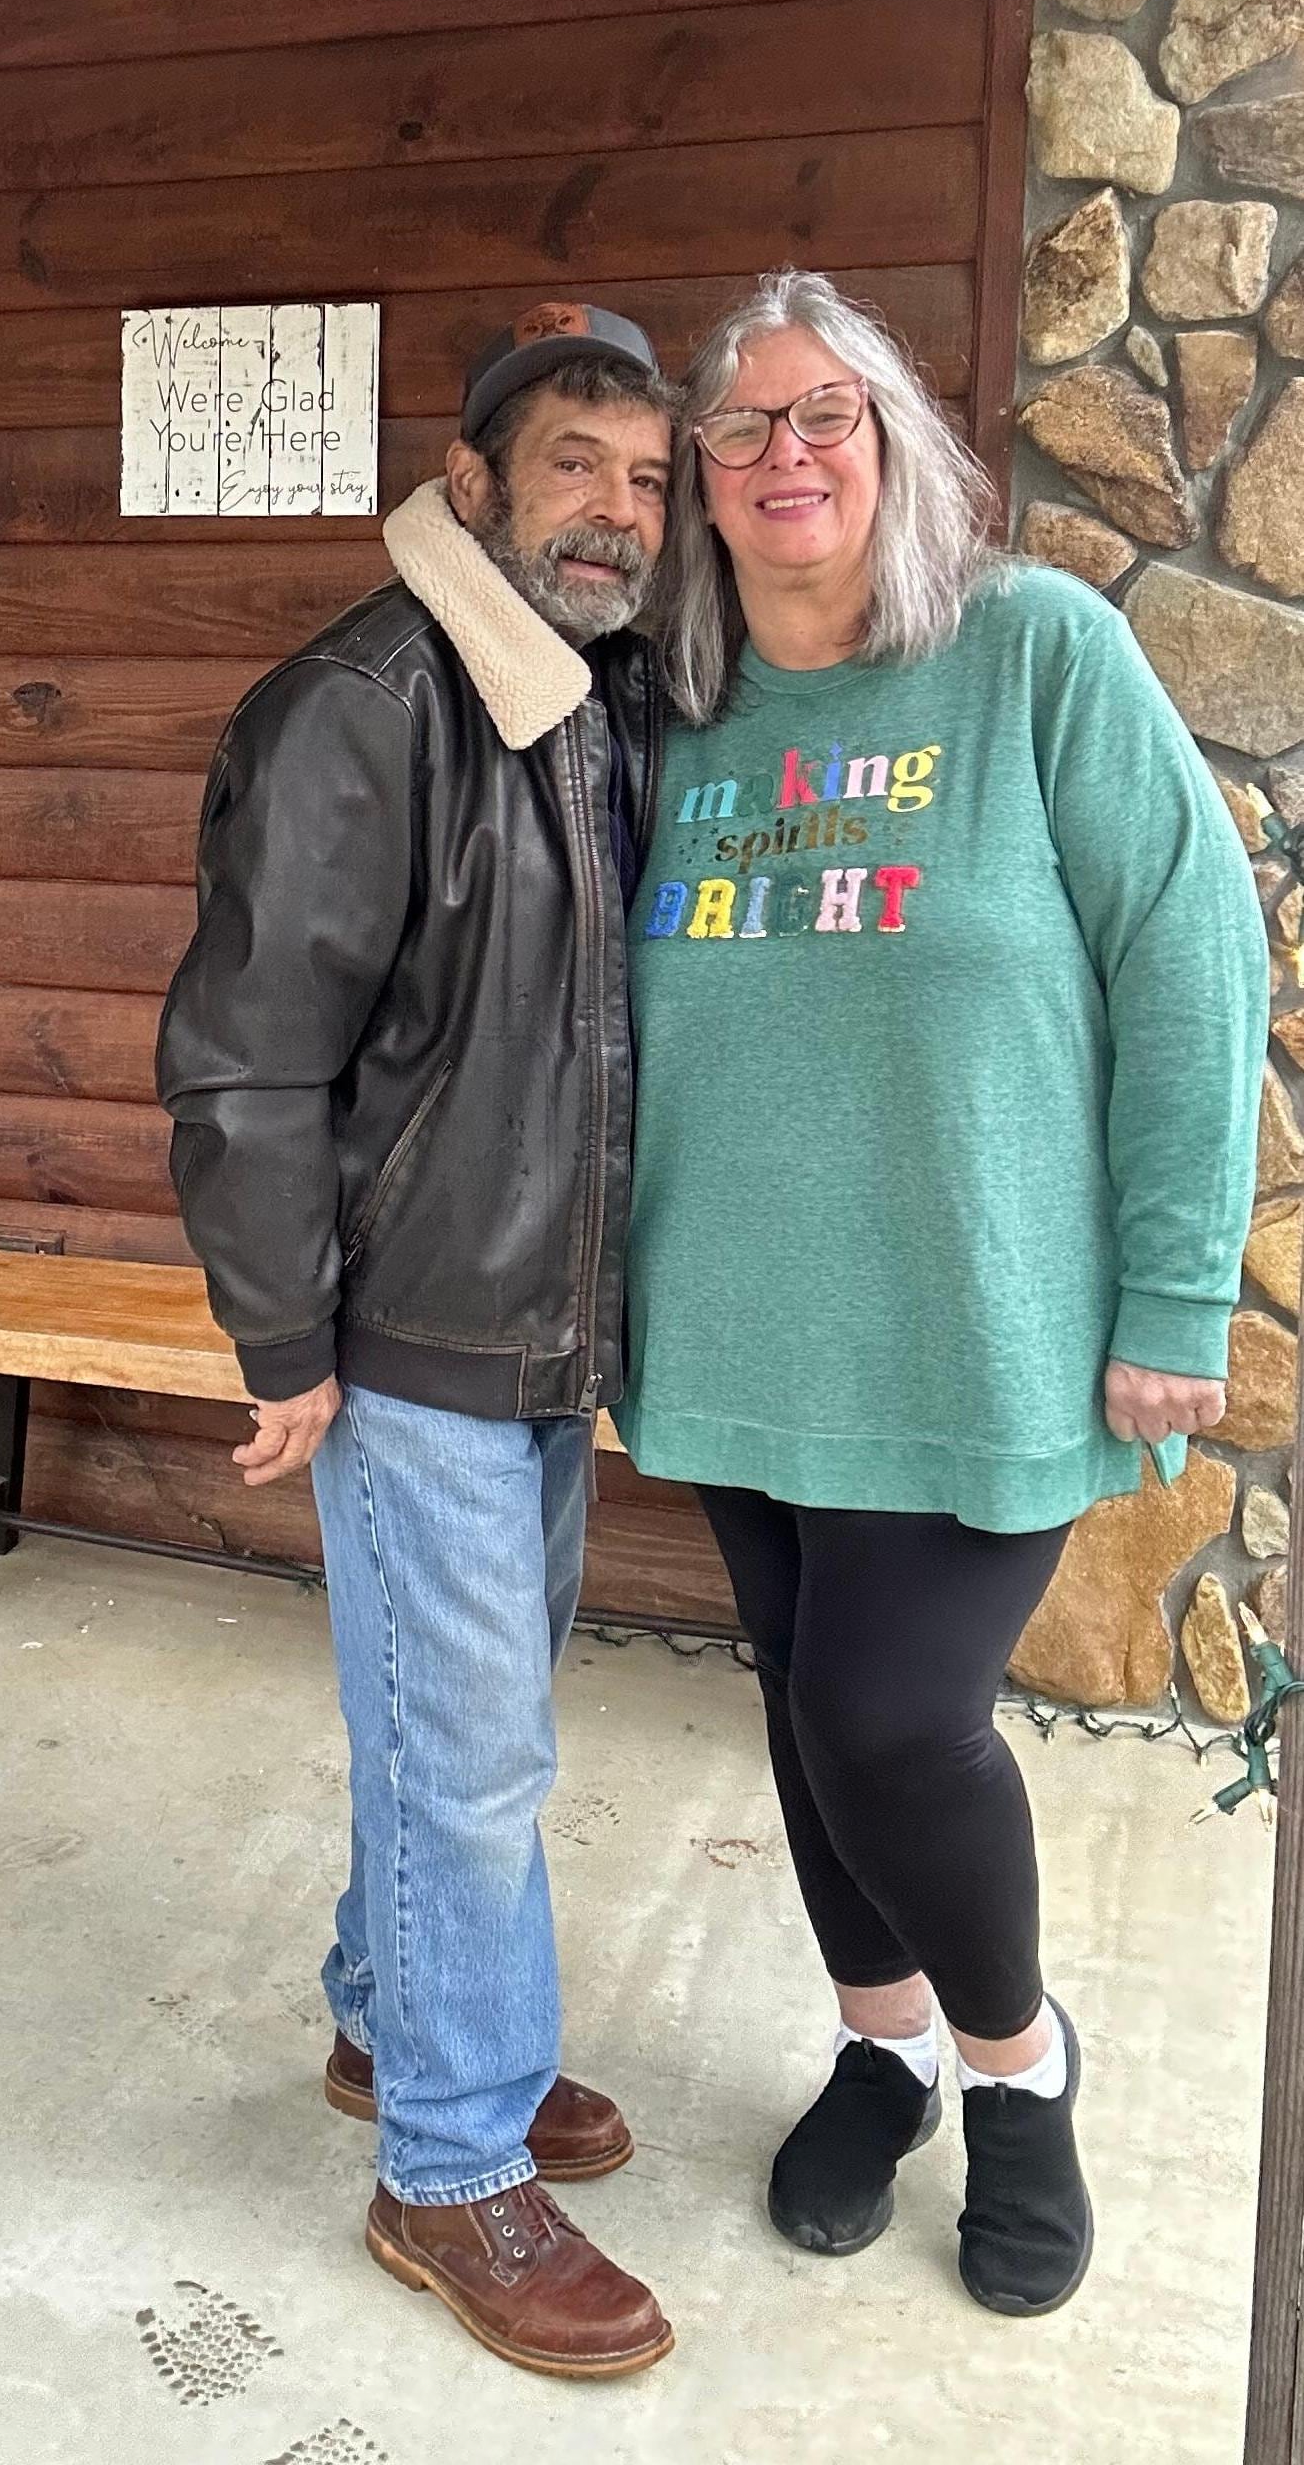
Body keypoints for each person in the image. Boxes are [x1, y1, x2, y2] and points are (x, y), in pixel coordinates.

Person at [618, 268, 1267, 2318]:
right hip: (725, 1315)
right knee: (806, 1709)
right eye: (741, 426)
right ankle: (882, 2044)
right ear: (698, 481)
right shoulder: (671, 711)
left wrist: (1176, 1291)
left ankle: (1017, 2065)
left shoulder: (1032, 652)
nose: (785, 451)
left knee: (889, 1718)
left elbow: (1192, 959)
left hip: (973, 1322)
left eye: (828, 412)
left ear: (893, 446)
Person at [158, 303, 679, 2382]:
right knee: (473, 1764)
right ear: (470, 481)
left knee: (453, 1723)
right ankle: (452, 2164)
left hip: (533, 1328)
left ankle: (400, 2023)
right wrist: (284, 1336)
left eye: (647, 479)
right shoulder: (363, 708)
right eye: (575, 465)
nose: (616, 510)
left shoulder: (592, 696)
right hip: (408, 1339)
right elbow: (245, 1058)